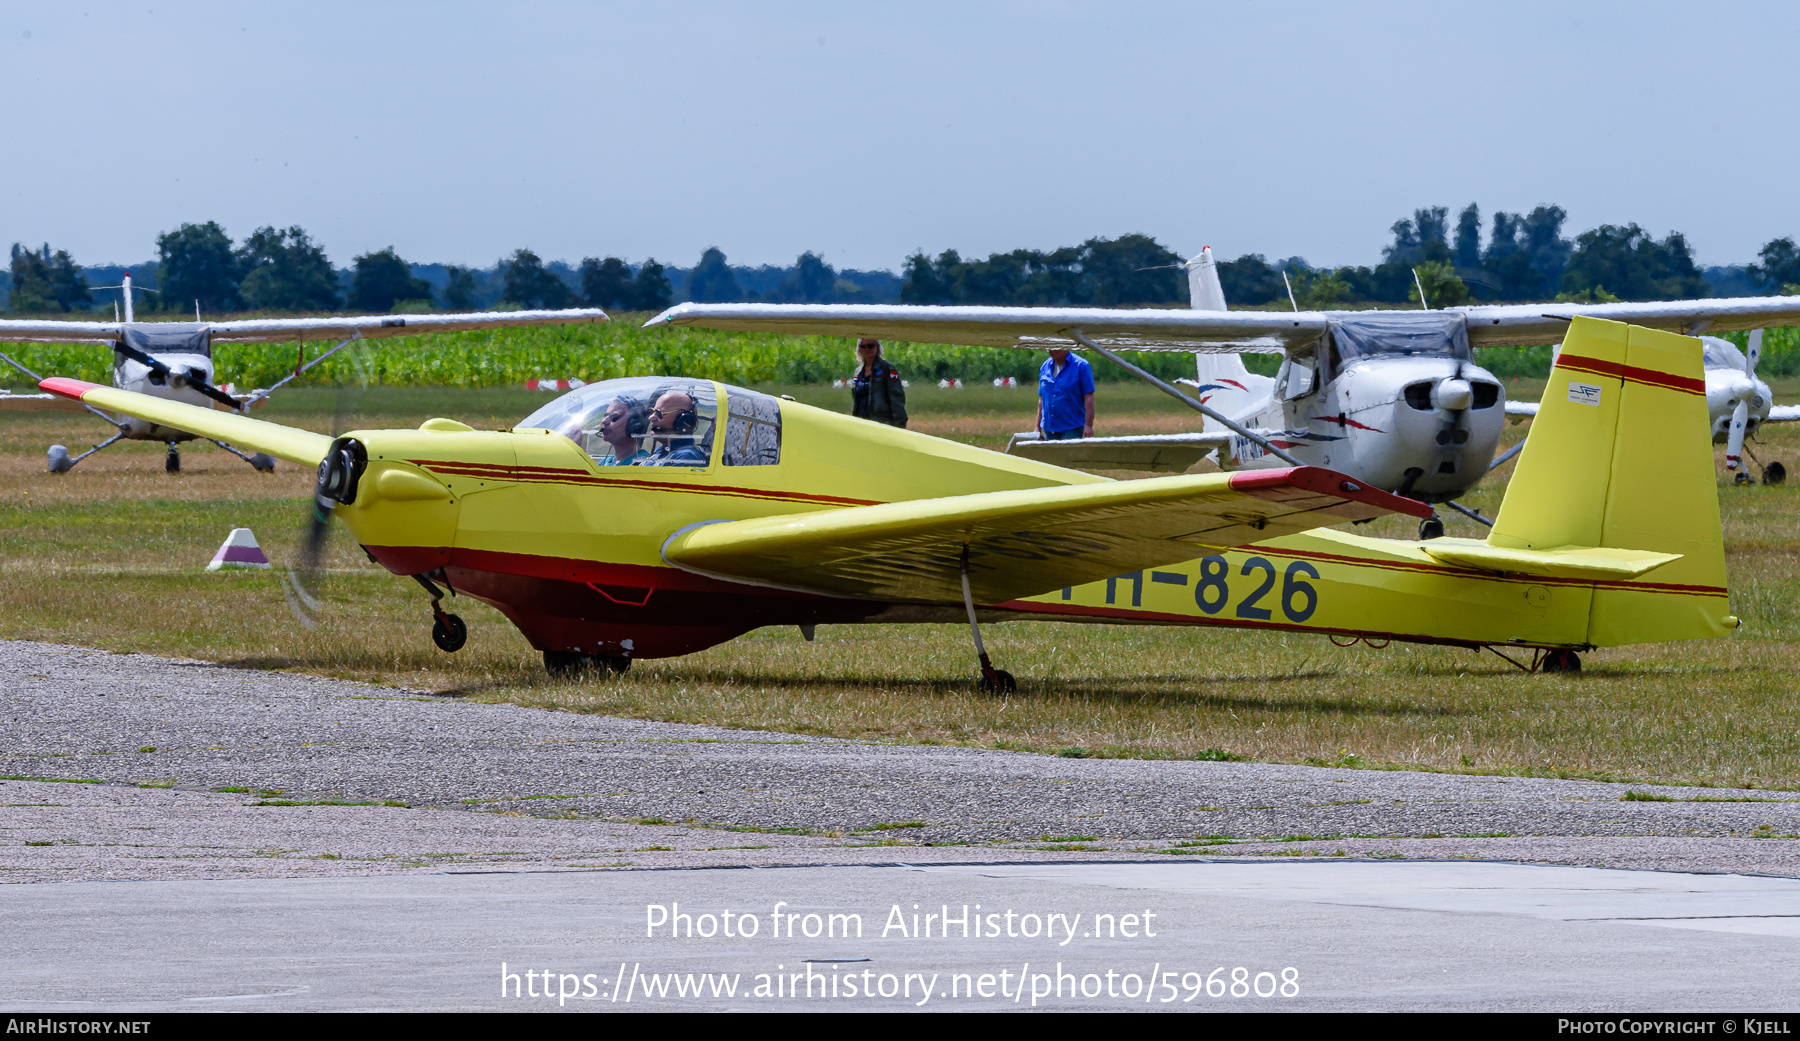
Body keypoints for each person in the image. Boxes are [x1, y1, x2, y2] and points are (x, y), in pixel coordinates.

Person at [1037, 346, 1094, 440]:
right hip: (1049, 428)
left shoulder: (1081, 365)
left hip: (1072, 427)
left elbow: (1089, 397)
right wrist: (1037, 428)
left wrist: (1088, 426)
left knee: (1066, 454)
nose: (1051, 350)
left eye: (1055, 347)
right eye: (1048, 347)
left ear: (1065, 348)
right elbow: (1042, 400)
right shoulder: (1045, 366)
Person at [643, 387, 710, 465]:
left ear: (683, 421)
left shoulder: (685, 458)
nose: (651, 418)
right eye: (652, 412)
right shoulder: (660, 453)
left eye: (658, 413)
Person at [850, 338, 907, 428]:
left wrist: (899, 424)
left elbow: (897, 398)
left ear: (877, 347)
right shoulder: (858, 372)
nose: (867, 349)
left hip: (882, 423)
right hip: (861, 423)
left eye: (870, 346)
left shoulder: (888, 368)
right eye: (863, 346)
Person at [594, 397, 649, 466]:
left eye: (613, 416)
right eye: (605, 416)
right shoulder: (606, 462)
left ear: (634, 424)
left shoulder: (645, 464)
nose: (604, 421)